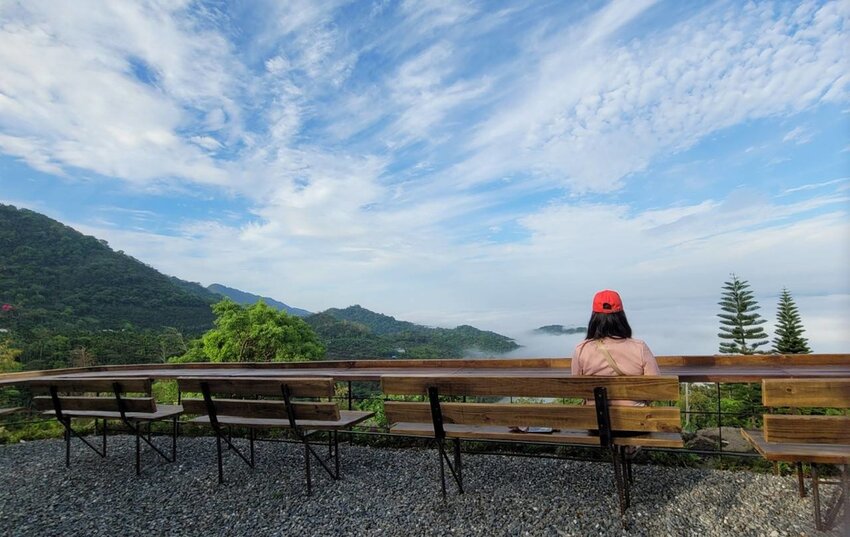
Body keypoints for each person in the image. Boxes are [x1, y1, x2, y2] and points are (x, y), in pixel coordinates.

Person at [571, 289, 659, 406]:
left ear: (594, 318)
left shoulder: (581, 350)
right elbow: (656, 388)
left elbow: (577, 390)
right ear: (621, 317)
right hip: (636, 421)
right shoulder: (640, 348)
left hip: (593, 420)